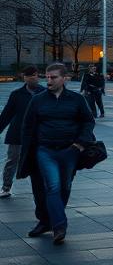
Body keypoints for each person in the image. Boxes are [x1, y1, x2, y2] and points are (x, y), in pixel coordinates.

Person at [17, 62, 94, 244]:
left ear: (64, 78)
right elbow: (27, 126)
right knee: (52, 186)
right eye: (47, 77)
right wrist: (29, 149)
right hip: (46, 150)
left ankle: (48, 221)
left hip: (70, 151)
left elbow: (88, 122)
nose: (49, 80)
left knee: (65, 188)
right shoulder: (38, 100)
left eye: (53, 77)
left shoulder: (77, 99)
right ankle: (59, 225)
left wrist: (80, 144)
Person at [0, 65, 43, 199]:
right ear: (23, 78)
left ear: (37, 76)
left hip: (38, 134)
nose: (31, 78)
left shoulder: (44, 93)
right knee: (12, 160)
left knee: (39, 160)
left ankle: (42, 187)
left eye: (34, 76)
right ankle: (6, 187)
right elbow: (7, 114)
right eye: (28, 76)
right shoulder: (17, 94)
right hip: (17, 132)